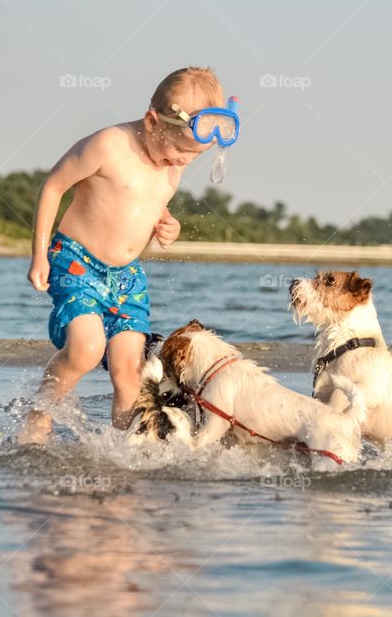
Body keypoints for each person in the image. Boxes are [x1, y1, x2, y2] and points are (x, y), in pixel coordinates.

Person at [18, 67, 237, 445]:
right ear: (153, 122)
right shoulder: (109, 145)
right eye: (178, 153)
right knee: (86, 351)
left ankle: (124, 447)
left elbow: (146, 204)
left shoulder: (172, 164)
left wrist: (168, 225)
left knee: (130, 370)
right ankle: (40, 413)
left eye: (192, 157)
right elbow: (53, 186)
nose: (182, 163)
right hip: (77, 261)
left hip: (127, 277)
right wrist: (38, 255)